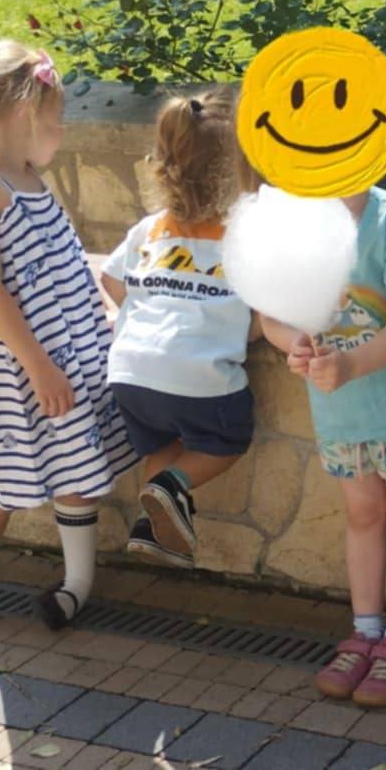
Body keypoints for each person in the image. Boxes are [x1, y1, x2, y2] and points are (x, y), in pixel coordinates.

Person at [0, 41, 138, 649]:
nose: (61, 132)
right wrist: (39, 366)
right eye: (56, 119)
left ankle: (77, 581)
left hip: (68, 358)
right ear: (24, 113)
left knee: (75, 467)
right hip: (17, 371)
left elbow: (58, 265)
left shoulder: (28, 178)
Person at [259, 155, 386, 711]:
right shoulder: (294, 225)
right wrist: (292, 342)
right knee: (363, 514)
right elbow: (272, 316)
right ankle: (366, 631)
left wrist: (349, 365)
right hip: (341, 413)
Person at [99, 92, 259, 570]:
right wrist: (237, 330)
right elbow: (266, 313)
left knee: (164, 445)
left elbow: (110, 279)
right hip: (199, 378)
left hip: (129, 375)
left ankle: (152, 527)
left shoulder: (150, 229)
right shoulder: (245, 236)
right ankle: (171, 487)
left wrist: (144, 313)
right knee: (225, 440)